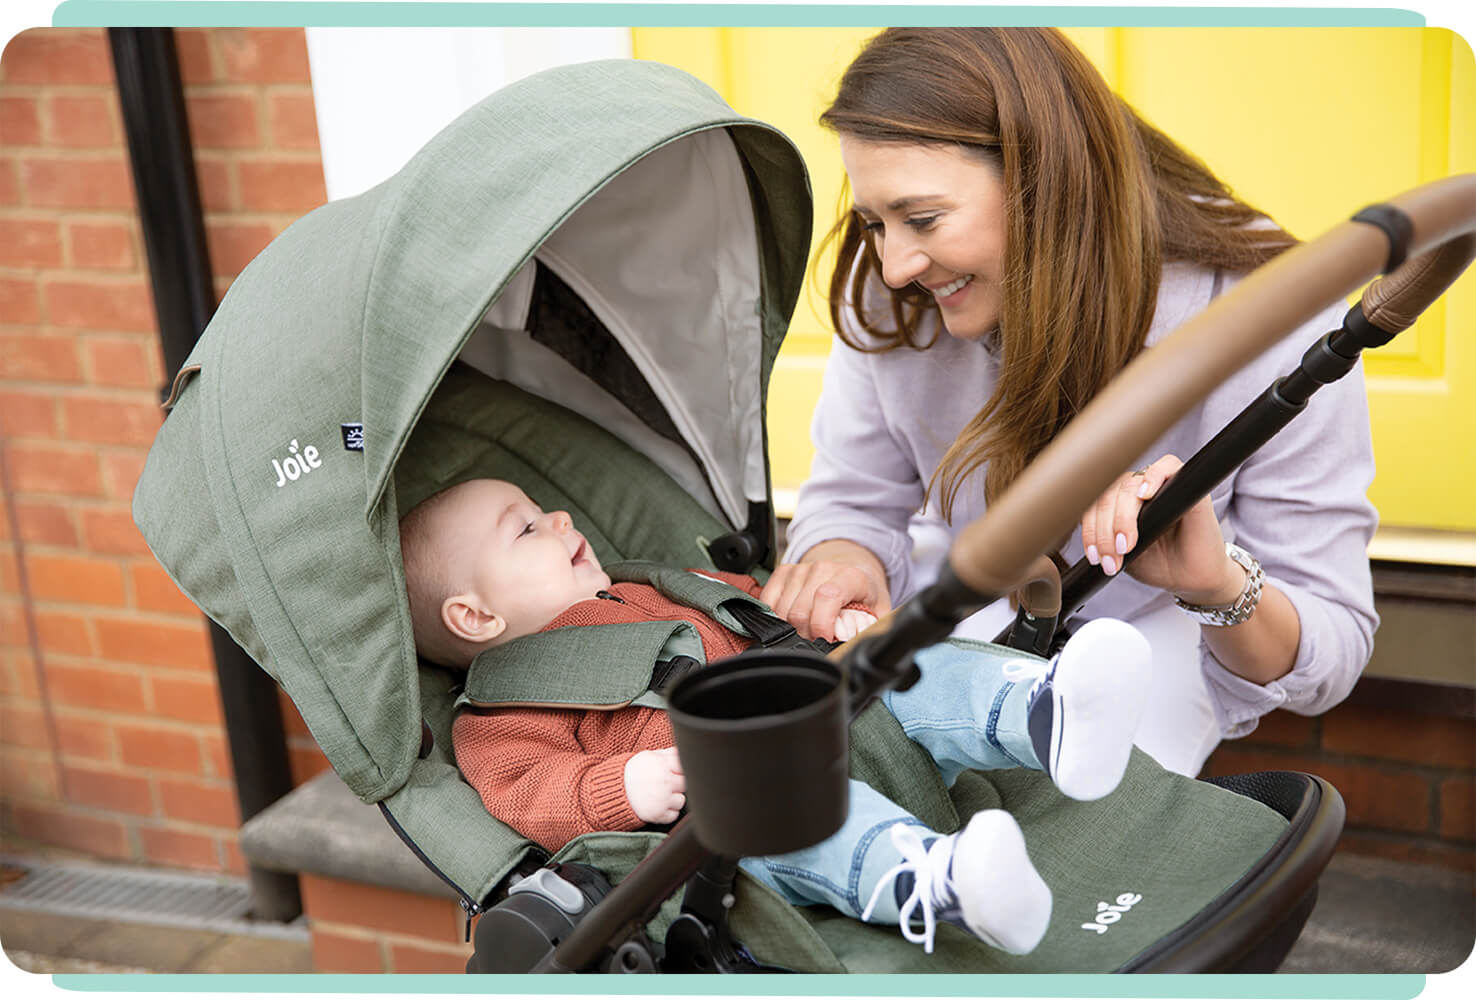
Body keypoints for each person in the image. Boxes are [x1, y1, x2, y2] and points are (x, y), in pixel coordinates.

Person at [759, 27, 1379, 777]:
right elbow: (855, 498)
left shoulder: (1277, 320)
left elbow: (1332, 646)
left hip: (1160, 637)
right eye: (874, 222)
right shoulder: (895, 297)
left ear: (1045, 180)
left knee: (1069, 826)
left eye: (922, 220)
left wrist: (1216, 583)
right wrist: (841, 554)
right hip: (965, 606)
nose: (892, 266)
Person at [400, 477, 1155, 955]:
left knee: (917, 662)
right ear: (472, 616)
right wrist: (618, 788)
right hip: (739, 807)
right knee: (804, 825)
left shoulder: (662, 584)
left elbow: (768, 605)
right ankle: (940, 881)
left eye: (544, 509)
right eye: (528, 528)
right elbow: (525, 789)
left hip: (828, 701)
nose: (560, 515)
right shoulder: (500, 709)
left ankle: (1042, 711)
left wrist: (846, 621)